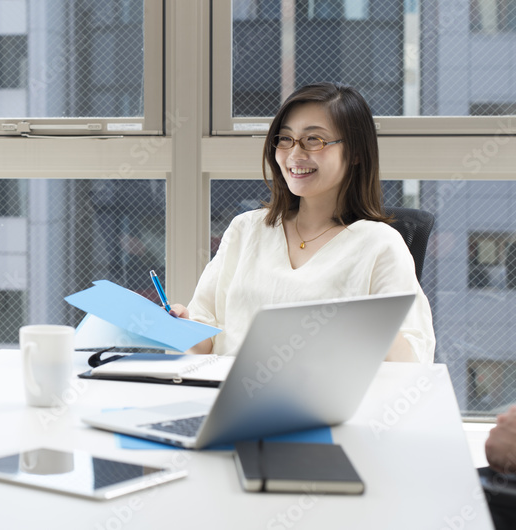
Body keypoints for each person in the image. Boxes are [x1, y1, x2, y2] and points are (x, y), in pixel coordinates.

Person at [170, 82, 435, 363]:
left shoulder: (380, 243)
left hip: (325, 403)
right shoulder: (245, 229)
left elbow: (414, 360)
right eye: (285, 139)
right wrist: (179, 327)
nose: (295, 154)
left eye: (314, 140)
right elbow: (205, 342)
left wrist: (368, 326)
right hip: (223, 395)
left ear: (356, 153)